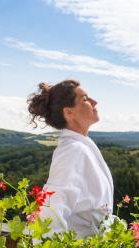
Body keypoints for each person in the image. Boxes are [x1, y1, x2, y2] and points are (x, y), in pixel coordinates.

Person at [27, 79, 114, 239]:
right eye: (85, 99)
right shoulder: (72, 151)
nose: (95, 102)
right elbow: (50, 211)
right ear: (69, 113)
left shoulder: (82, 146)